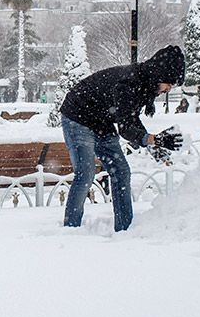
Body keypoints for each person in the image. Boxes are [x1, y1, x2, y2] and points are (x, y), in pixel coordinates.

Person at [58, 45, 186, 232]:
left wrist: (153, 146)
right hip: (78, 116)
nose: (168, 89)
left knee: (121, 171)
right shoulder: (129, 84)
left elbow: (131, 118)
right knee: (86, 173)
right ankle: (71, 227)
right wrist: (154, 140)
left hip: (102, 121)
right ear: (159, 75)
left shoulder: (144, 85)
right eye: (169, 83)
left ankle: (124, 229)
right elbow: (126, 129)